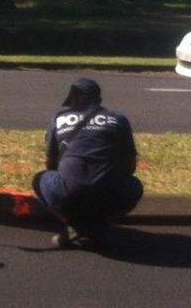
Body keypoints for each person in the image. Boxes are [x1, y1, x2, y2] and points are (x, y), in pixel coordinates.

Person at [33, 78, 143, 249]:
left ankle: (73, 224)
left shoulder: (58, 119)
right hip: (113, 194)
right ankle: (101, 225)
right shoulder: (118, 119)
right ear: (98, 100)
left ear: (73, 99)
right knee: (135, 185)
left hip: (68, 193)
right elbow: (130, 167)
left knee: (39, 179)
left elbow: (50, 164)